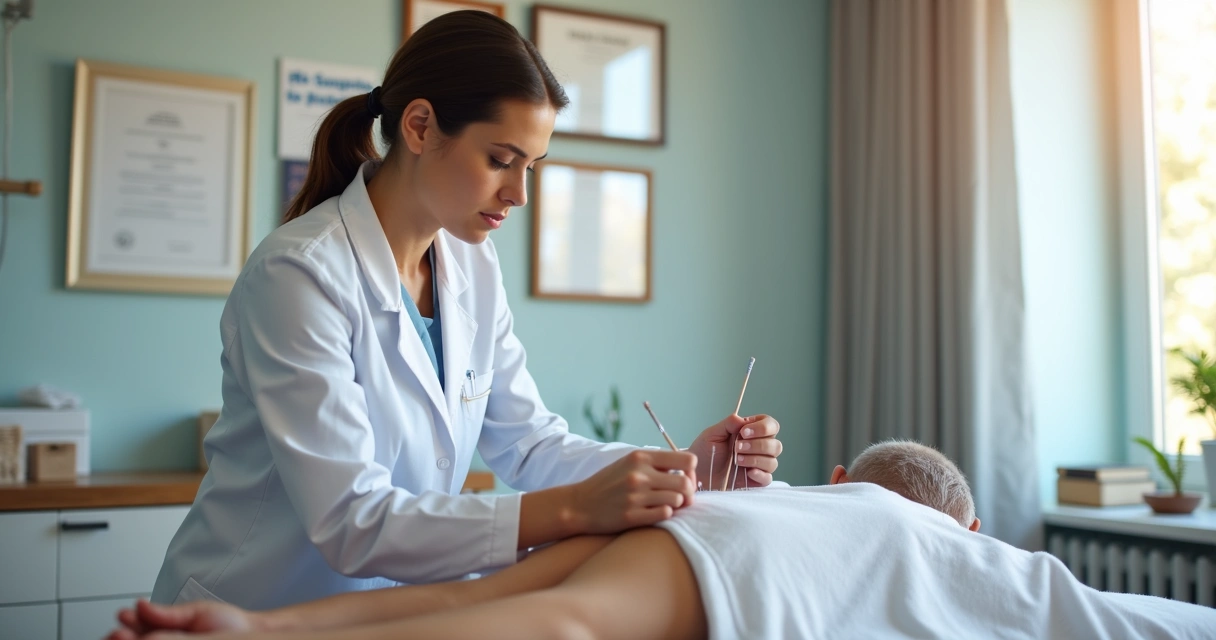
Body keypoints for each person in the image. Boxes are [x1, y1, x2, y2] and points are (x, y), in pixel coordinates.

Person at [151, 10, 783, 610]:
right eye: (501, 160)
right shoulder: (299, 274)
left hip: (390, 613)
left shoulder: (470, 263)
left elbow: (530, 444)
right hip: (253, 610)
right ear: (420, 127)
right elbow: (351, 521)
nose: (519, 194)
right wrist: (576, 508)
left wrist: (684, 469)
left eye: (531, 166)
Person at [118, 442, 1216, 640]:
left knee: (500, 599)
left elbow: (466, 597)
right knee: (567, 625)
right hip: (726, 559)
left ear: (838, 478)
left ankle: (257, 625)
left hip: (698, 523)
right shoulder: (952, 549)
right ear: (964, 530)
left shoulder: (807, 501)